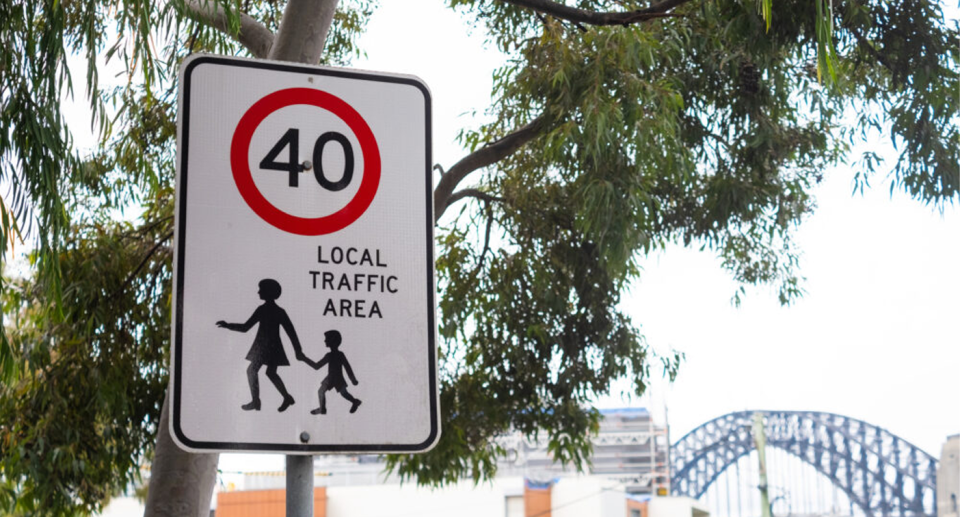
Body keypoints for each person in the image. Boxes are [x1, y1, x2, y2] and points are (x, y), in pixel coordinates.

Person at [216, 279, 305, 412]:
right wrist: (228, 325)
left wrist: (298, 351)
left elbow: (291, 332)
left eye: (261, 289)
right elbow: (246, 327)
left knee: (254, 371)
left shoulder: (277, 311)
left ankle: (258, 401)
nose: (258, 292)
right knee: (269, 373)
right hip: (267, 347)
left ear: (268, 292)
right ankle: (284, 398)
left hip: (267, 348)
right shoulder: (264, 309)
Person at [302, 330, 361, 415]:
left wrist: (353, 380)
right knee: (321, 391)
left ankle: (355, 401)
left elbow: (347, 367)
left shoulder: (339, 354)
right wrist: (304, 359)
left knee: (344, 393)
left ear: (332, 341)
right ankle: (322, 409)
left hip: (338, 378)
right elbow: (317, 366)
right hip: (330, 378)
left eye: (326, 339)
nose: (325, 341)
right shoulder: (329, 355)